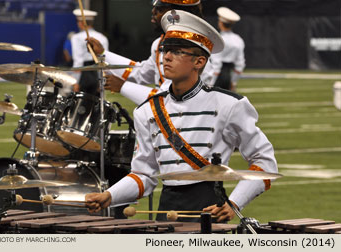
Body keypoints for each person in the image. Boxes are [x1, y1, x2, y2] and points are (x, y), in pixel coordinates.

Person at [85, 10, 278, 222]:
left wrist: (234, 203)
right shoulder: (146, 111)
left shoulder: (230, 105)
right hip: (166, 212)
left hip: (210, 212)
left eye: (178, 52)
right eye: (166, 50)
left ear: (199, 62)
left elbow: (265, 162)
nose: (166, 57)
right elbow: (143, 175)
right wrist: (109, 195)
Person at [87, 0, 217, 105]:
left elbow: (171, 100)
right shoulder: (158, 43)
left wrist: (122, 86)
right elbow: (141, 73)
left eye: (160, 8)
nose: (153, 12)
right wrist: (103, 53)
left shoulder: (195, 46)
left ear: (176, 14)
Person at [71, 9, 109, 96]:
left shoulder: (77, 37)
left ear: (81, 23)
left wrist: (75, 81)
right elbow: (104, 60)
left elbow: (78, 61)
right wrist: (102, 81)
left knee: (82, 105)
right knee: (97, 105)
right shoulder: (102, 37)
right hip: (98, 73)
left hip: (84, 74)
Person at [212, 7, 245, 91]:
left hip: (217, 77)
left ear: (220, 23)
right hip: (228, 76)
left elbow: (216, 64)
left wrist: (210, 83)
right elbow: (240, 65)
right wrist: (233, 82)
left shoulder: (218, 39)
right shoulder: (238, 39)